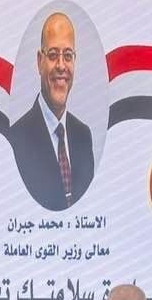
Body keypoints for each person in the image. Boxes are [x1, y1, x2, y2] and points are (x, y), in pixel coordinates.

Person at [9, 12, 94, 211]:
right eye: (53, 55)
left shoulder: (84, 136)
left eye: (68, 56)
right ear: (40, 61)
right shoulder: (15, 140)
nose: (61, 66)